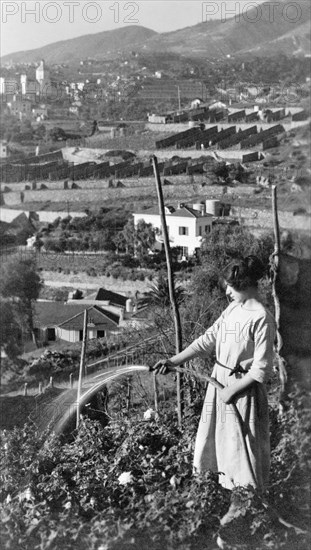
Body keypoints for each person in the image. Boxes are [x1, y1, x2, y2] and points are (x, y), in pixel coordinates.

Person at [152, 256, 276, 493]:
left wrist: (232, 390)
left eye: (230, 286)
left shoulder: (261, 318)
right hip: (219, 386)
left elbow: (262, 368)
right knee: (215, 446)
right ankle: (216, 498)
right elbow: (207, 340)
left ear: (245, 284)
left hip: (242, 394)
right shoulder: (233, 309)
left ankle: (249, 506)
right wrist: (172, 361)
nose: (228, 292)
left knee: (241, 455)